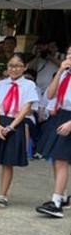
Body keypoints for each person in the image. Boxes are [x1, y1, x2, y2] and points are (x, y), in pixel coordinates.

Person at [0, 53, 37, 208]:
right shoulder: (0, 85)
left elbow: (26, 107)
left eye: (18, 66)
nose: (14, 69)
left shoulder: (29, 85)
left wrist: (11, 126)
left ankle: (3, 194)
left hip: (15, 123)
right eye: (11, 65)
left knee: (8, 162)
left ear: (25, 67)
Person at [36, 47, 71, 218]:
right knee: (56, 158)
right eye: (69, 54)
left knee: (62, 161)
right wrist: (59, 72)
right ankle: (62, 196)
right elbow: (50, 95)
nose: (70, 57)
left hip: (70, 118)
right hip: (60, 114)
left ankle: (56, 202)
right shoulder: (64, 73)